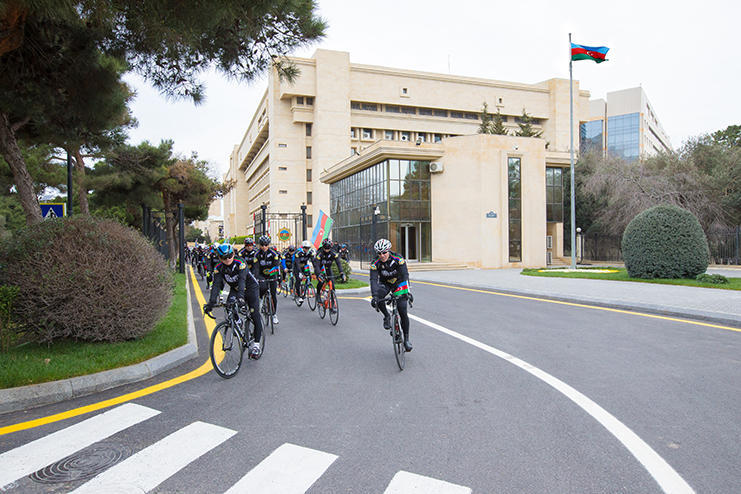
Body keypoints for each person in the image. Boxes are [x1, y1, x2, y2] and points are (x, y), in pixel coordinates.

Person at [203, 243, 263, 359]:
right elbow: (216, 286)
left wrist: (241, 297)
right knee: (229, 305)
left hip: (250, 288)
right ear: (219, 258)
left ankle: (256, 345)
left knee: (255, 314)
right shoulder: (219, 268)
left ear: (233, 254)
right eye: (224, 257)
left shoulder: (240, 263)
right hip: (235, 289)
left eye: (230, 256)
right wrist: (211, 303)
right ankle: (238, 322)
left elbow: (242, 280)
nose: (228, 259)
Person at [369, 238, 413, 352]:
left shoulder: (398, 259)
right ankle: (387, 316)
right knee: (378, 299)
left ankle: (407, 339)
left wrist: (407, 291)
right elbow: (373, 280)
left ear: (389, 250)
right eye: (379, 253)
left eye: (384, 252)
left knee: (402, 310)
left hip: (399, 283)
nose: (382, 255)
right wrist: (374, 296)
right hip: (385, 283)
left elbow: (404, 275)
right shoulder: (375, 263)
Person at [255, 235, 281, 324]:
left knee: (273, 295)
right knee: (262, 287)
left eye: (266, 245)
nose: (264, 247)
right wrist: (257, 278)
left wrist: (279, 276)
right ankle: (261, 298)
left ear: (268, 245)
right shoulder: (257, 254)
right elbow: (256, 268)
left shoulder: (274, 254)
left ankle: (274, 315)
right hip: (262, 275)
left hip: (272, 274)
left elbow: (277, 265)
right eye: (262, 245)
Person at [314, 239, 346, 304]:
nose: (326, 250)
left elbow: (338, 263)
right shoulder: (319, 253)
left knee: (332, 285)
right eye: (325, 248)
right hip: (320, 268)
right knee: (321, 281)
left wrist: (342, 273)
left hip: (328, 267)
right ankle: (318, 295)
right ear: (323, 247)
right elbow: (316, 265)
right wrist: (319, 274)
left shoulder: (333, 253)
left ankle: (333, 304)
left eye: (328, 248)